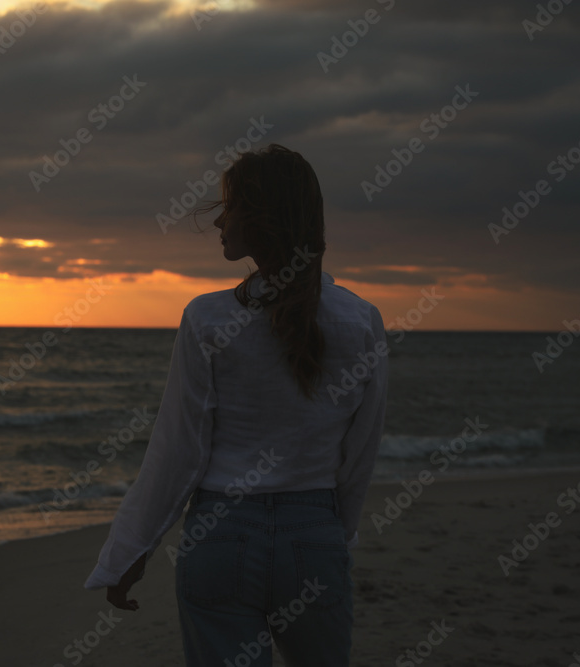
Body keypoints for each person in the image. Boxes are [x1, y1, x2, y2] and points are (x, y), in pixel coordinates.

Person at [83, 143, 388, 666]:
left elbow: (178, 452)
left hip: (220, 540)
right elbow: (359, 454)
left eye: (232, 206)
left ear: (264, 216)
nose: (220, 219)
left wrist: (129, 554)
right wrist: (334, 537)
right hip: (314, 536)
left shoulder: (207, 319)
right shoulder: (360, 321)